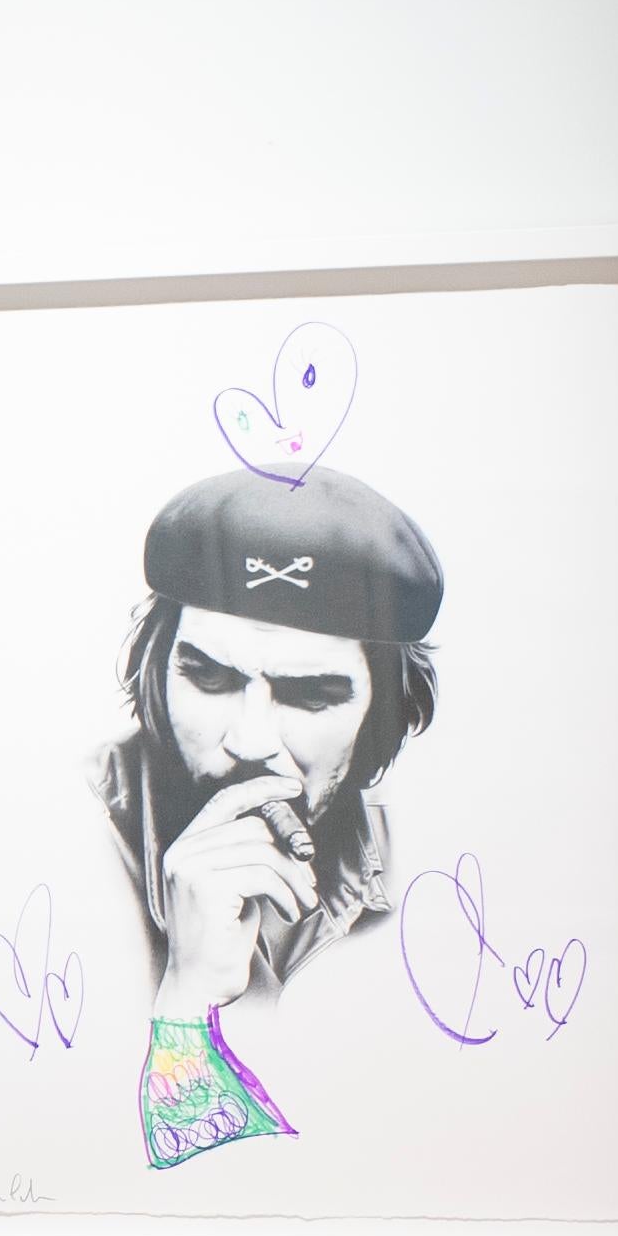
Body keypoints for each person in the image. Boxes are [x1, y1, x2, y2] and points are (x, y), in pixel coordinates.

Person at [88, 464, 441, 1166]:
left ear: (384, 714)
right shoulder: (73, 842)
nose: (250, 742)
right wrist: (189, 997)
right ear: (154, 672)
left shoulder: (419, 871)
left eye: (311, 696)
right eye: (210, 678)